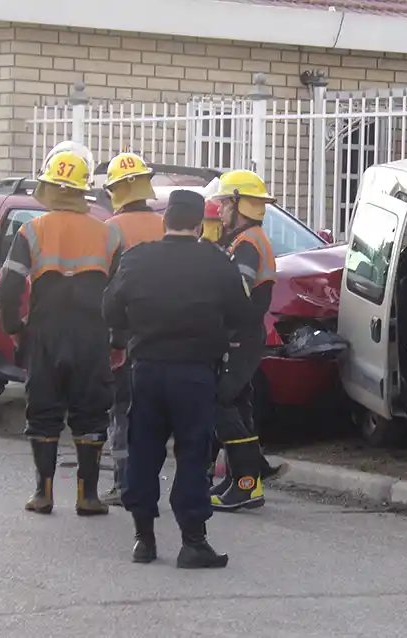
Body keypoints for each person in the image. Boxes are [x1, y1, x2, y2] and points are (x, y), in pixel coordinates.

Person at [103, 189, 251, 568]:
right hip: (195, 373)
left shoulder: (137, 259)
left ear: (165, 221)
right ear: (200, 224)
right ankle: (192, 542)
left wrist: (132, 332)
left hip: (147, 369)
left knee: (144, 450)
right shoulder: (217, 263)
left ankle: (143, 540)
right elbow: (240, 314)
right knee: (192, 454)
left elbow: (110, 309)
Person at [0, 145, 123, 517]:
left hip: (45, 333)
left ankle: (43, 494)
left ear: (50, 187)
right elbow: (120, 295)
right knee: (91, 412)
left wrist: (15, 329)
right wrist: (118, 340)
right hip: (92, 335)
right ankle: (88, 496)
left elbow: (8, 289)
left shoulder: (30, 231)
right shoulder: (109, 236)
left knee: (43, 411)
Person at [208, 169, 287, 512]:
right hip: (244, 334)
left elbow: (236, 295)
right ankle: (240, 480)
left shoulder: (247, 244)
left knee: (222, 404)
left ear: (238, 204)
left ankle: (246, 485)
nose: (221, 210)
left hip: (240, 336)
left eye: (225, 203)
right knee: (238, 406)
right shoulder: (247, 239)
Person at [100, 151, 165, 507]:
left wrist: (114, 340)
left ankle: (124, 484)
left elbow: (109, 290)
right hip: (164, 334)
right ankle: (147, 482)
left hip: (128, 337)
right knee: (151, 412)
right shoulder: (164, 225)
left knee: (122, 409)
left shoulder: (111, 229)